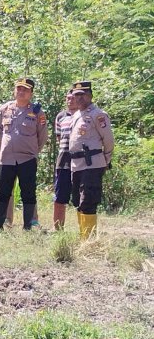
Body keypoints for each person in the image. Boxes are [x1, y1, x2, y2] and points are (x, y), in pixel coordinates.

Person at [0, 78, 48, 230]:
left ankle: (28, 226)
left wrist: (33, 152)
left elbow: (42, 136)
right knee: (3, 192)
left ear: (31, 93)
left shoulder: (37, 112)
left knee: (28, 192)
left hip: (27, 159)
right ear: (14, 90)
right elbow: (0, 132)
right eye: (19, 88)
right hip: (6, 159)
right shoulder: (4, 109)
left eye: (25, 90)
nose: (21, 92)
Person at [68, 81, 114, 239]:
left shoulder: (98, 114)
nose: (79, 98)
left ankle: (88, 241)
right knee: (77, 201)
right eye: (76, 95)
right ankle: (83, 236)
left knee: (88, 200)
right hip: (77, 165)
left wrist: (105, 160)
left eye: (82, 95)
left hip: (92, 164)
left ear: (90, 96)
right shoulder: (75, 115)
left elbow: (108, 140)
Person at [53, 89, 78, 230]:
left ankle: (84, 229)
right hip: (63, 161)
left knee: (81, 197)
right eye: (68, 98)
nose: (70, 100)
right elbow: (59, 138)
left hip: (81, 162)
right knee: (59, 196)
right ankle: (58, 229)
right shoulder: (60, 116)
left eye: (73, 98)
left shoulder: (84, 115)